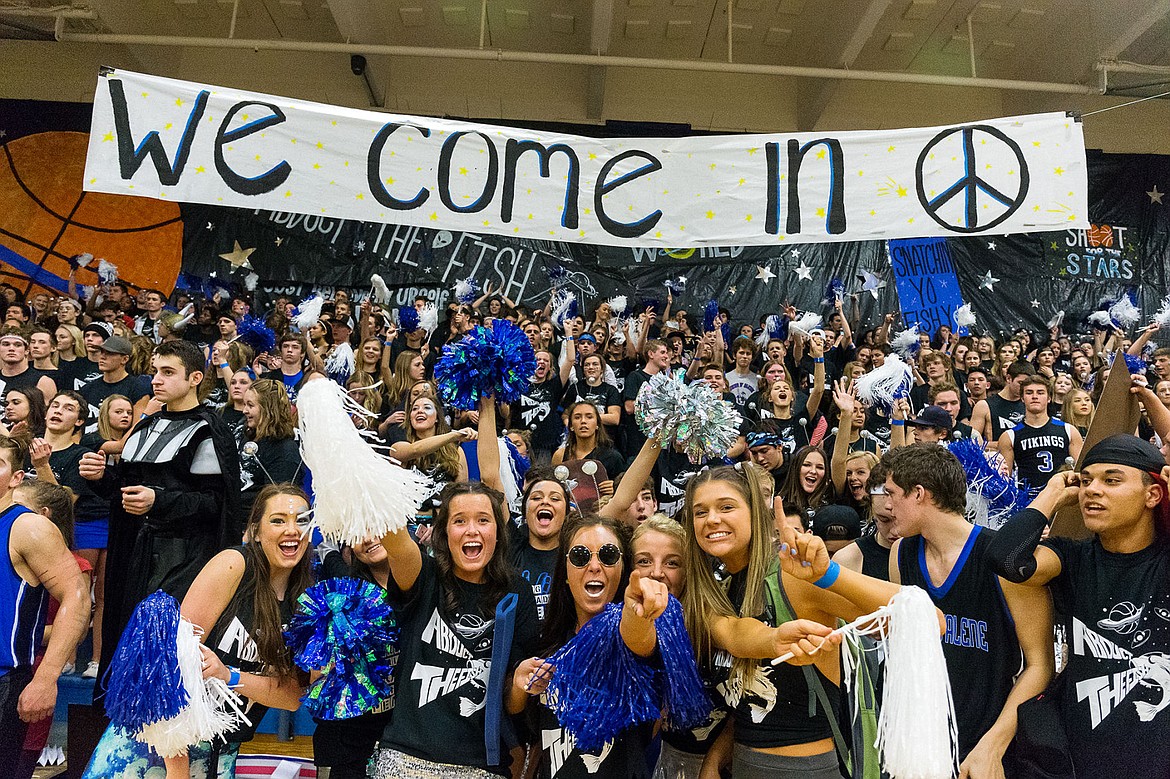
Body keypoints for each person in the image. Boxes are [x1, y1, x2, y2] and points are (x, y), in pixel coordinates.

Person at [83, 483, 312, 778]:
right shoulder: (234, 564)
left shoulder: (306, 602)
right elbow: (168, 666)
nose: (291, 529)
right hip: (160, 744)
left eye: (301, 520)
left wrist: (229, 676)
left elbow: (291, 696)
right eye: (278, 520)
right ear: (255, 530)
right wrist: (177, 770)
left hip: (222, 752)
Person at [986, 434, 1170, 779]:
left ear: (1153, 494)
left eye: (1111, 480)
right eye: (1085, 481)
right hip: (1083, 758)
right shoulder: (1071, 557)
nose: (1092, 490)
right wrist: (1052, 495)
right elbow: (1006, 559)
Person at [79, 340, 242, 699]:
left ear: (195, 377)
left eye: (168, 372)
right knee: (125, 644)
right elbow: (125, 492)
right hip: (134, 557)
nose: (156, 380)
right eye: (155, 371)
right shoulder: (144, 426)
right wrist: (102, 478)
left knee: (166, 654)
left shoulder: (209, 430)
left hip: (184, 561)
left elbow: (218, 504)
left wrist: (160, 500)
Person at [885, 444, 1054, 775]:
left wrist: (993, 745)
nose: (886, 506)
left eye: (892, 494)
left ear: (919, 494)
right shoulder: (901, 554)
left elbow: (1041, 665)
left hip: (986, 745)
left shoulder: (1002, 558)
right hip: (919, 744)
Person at [372, 479, 540, 777]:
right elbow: (396, 542)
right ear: (444, 533)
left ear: (499, 534)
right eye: (459, 521)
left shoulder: (518, 592)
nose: (472, 530)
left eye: (483, 520)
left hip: (480, 765)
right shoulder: (424, 574)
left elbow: (512, 703)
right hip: (404, 759)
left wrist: (522, 683)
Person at [513, 513, 664, 777]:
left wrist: (637, 613)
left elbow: (639, 637)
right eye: (581, 556)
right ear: (566, 574)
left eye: (608, 555)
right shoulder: (548, 642)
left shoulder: (633, 634)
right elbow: (521, 721)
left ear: (623, 570)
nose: (594, 566)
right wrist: (519, 686)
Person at [0, 432, 89, 769]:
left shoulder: (28, 527)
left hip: (5, 679)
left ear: (16, 478)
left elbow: (76, 596)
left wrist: (46, 677)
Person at [28, 390, 111, 678]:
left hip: (71, 532)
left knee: (79, 597)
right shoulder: (24, 449)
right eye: (55, 405)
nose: (59, 410)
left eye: (69, 408)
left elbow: (62, 505)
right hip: (23, 536)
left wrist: (41, 466)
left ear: (79, 421)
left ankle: (73, 658)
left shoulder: (79, 456)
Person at [388, 394, 473, 526]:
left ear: (437, 418)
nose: (419, 411)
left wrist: (441, 526)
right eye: (414, 409)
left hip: (442, 524)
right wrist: (453, 435)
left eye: (427, 407)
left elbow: (460, 494)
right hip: (408, 524)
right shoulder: (398, 447)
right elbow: (414, 450)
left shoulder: (455, 451)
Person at [998, 375, 1083, 495]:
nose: (1035, 397)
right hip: (1028, 500)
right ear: (1022, 398)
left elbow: (1079, 470)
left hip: (1062, 497)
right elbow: (1005, 479)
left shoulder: (1068, 430)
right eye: (1029, 392)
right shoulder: (1009, 436)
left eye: (1040, 392)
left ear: (1049, 398)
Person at [238, 379, 303, 519]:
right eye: (244, 404)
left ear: (268, 409)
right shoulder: (246, 435)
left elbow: (278, 503)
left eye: (250, 405)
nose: (244, 410)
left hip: (253, 525)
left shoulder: (285, 449)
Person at [833, 462, 897, 581]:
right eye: (884, 519)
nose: (894, 531)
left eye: (899, 519)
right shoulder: (849, 559)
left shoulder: (934, 554)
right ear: (871, 508)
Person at [78, 335, 152, 435]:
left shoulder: (138, 388)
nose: (102, 356)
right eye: (102, 352)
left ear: (125, 359)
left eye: (109, 353)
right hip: (87, 445)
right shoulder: (87, 389)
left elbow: (137, 429)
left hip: (121, 446)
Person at [970, 361, 1032, 446]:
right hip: (996, 456)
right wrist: (1007, 445)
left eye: (1027, 384)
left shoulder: (1031, 404)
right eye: (1020, 383)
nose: (1023, 387)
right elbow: (972, 443)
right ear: (1008, 378)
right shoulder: (984, 406)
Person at [0, 328, 55, 401]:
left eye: (17, 345)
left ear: (26, 351)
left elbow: (50, 411)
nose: (11, 348)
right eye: (6, 344)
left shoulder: (43, 382)